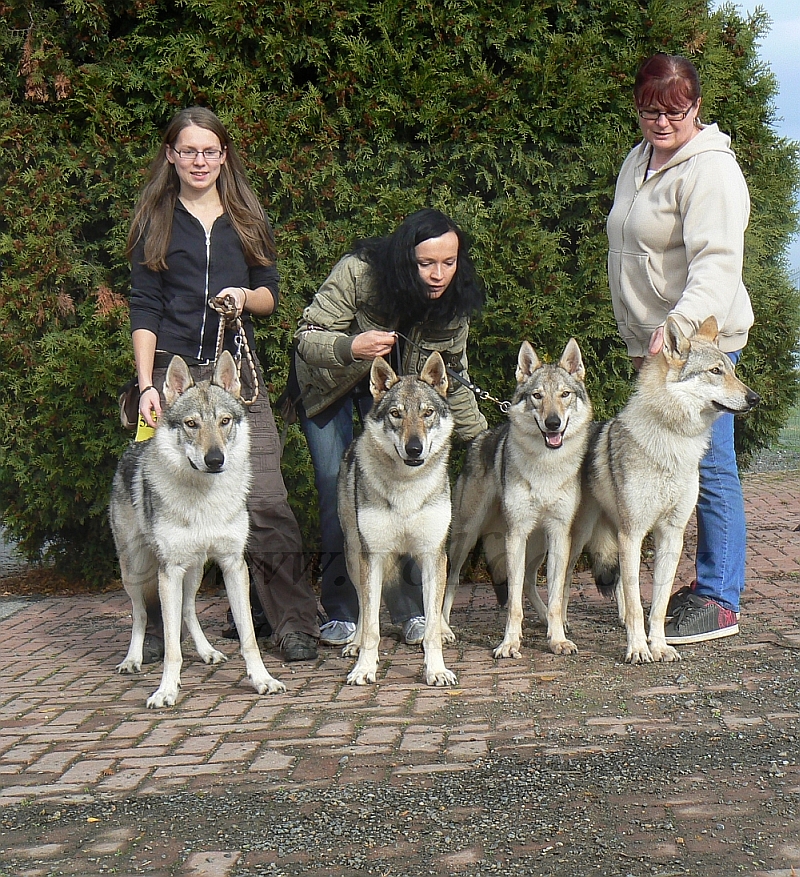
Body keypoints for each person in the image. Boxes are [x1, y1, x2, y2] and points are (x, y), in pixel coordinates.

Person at [126, 106, 320, 663]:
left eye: (209, 150)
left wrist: (242, 297)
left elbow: (270, 294)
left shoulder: (246, 218)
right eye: (188, 150)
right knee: (161, 505)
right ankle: (162, 632)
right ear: (171, 156)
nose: (199, 160)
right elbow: (144, 307)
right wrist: (147, 383)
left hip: (236, 380)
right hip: (174, 378)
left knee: (267, 500)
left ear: (223, 155)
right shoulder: (154, 221)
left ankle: (293, 623)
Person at [607, 53, 755, 644]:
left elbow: (717, 264)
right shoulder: (638, 159)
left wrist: (679, 324)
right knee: (657, 465)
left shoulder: (712, 170)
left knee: (711, 467)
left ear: (696, 106)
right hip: (654, 350)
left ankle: (720, 598)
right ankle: (668, 588)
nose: (661, 123)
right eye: (649, 111)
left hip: (694, 349)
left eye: (674, 111)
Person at [294, 209, 488, 647]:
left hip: (399, 405)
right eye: (427, 264)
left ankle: (410, 612)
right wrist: (351, 346)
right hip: (330, 388)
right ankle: (346, 613)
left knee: (403, 501)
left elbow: (452, 378)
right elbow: (307, 336)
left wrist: (483, 442)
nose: (439, 274)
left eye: (449, 262)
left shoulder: (453, 304)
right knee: (335, 487)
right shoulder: (359, 274)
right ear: (405, 259)